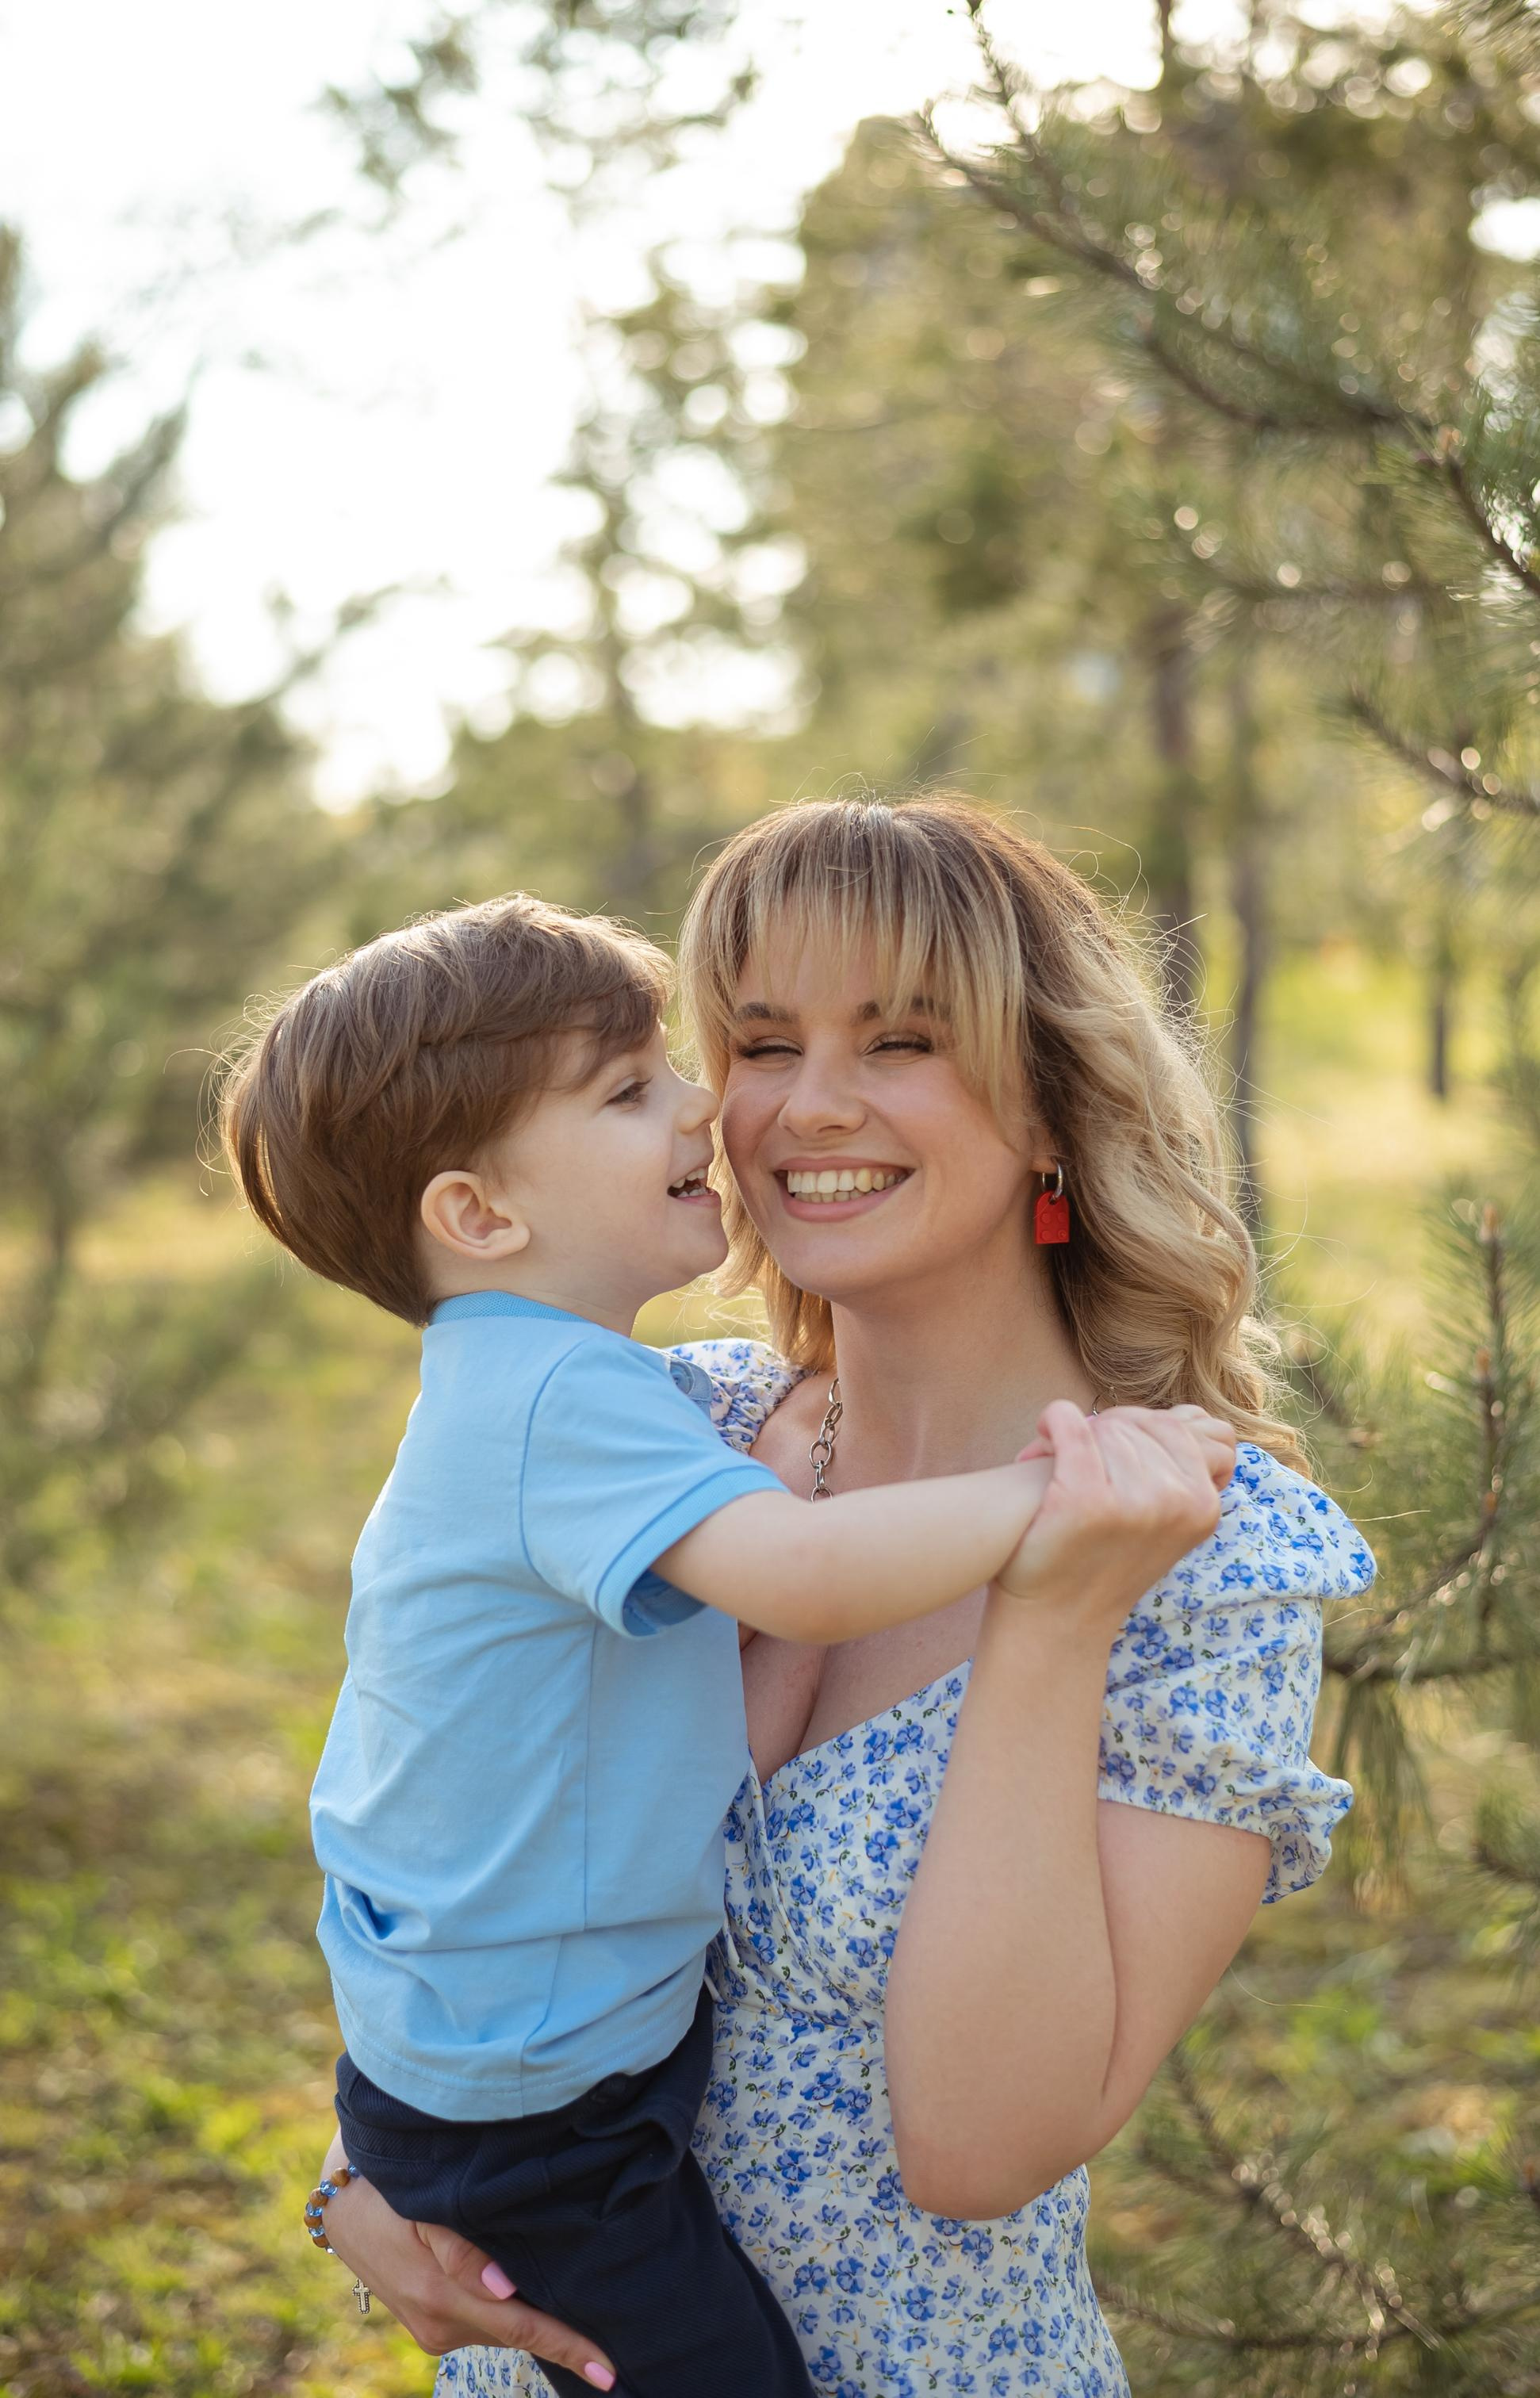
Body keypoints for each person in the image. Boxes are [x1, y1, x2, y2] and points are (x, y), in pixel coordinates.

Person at [308, 800, 1377, 2397]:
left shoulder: (1206, 1555)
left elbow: (974, 2147)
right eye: (754, 1042)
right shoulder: (672, 1426)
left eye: (899, 1043)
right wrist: (368, 2167)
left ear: (1047, 1108)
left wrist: (1054, 1613)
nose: (805, 1108)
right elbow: (437, 1808)